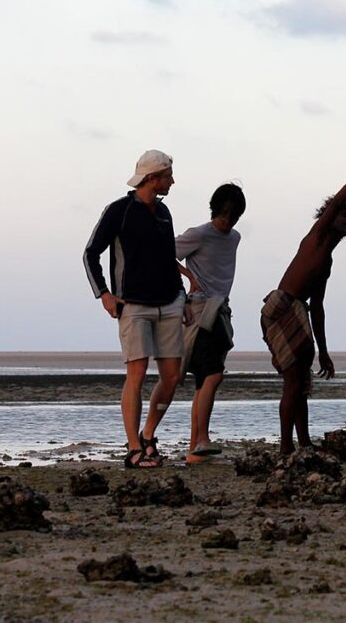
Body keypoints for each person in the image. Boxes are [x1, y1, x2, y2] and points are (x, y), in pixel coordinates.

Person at [262, 151, 346, 455]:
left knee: (301, 383)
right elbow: (340, 196)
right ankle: (286, 448)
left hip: (298, 311)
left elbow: (318, 307)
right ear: (329, 217)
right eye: (341, 213)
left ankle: (304, 443)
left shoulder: (328, 259)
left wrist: (324, 351)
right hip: (283, 307)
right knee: (293, 383)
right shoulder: (317, 237)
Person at [83, 149, 188, 468]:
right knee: (137, 373)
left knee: (171, 377)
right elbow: (91, 254)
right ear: (152, 178)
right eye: (168, 175)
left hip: (170, 303)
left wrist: (183, 296)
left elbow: (167, 258)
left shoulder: (164, 212)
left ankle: (148, 436)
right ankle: (133, 449)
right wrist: (104, 294)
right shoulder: (119, 210)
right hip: (133, 306)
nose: (172, 180)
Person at [175, 183, 246, 464]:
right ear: (215, 210)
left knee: (204, 380)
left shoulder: (235, 237)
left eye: (234, 215)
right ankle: (202, 438)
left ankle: (195, 451)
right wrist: (188, 277)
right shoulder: (199, 234)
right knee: (214, 375)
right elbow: (162, 251)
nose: (227, 220)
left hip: (221, 311)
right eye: (224, 214)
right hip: (201, 309)